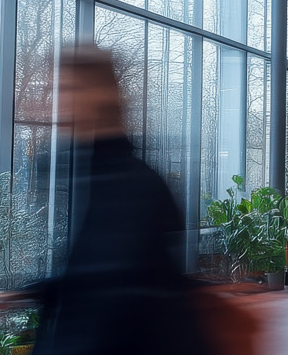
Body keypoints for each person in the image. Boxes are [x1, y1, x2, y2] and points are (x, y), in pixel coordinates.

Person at [28, 44, 213, 355]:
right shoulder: (98, 173)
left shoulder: (128, 184)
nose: (55, 100)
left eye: (67, 88)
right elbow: (92, 279)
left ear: (100, 95)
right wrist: (20, 295)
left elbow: (109, 297)